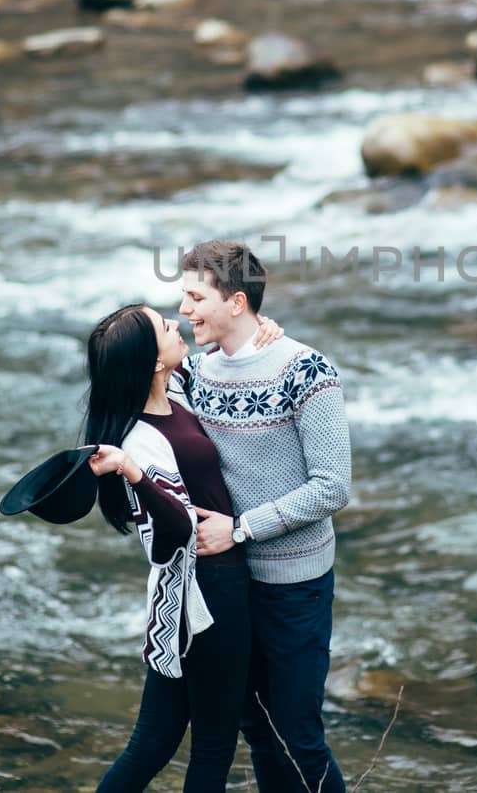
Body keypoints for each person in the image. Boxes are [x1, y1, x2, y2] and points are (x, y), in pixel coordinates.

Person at [174, 240, 353, 793]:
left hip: (294, 584)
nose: (184, 310)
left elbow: (333, 487)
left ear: (235, 302)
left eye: (195, 296)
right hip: (227, 583)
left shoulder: (306, 370)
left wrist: (243, 528)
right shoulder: (196, 374)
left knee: (298, 733)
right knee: (256, 728)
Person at [80, 303, 280, 793]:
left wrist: (260, 333)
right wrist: (133, 473)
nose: (177, 324)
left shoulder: (175, 389)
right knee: (212, 748)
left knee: (152, 744)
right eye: (165, 326)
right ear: (152, 361)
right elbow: (171, 533)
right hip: (210, 595)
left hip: (190, 598)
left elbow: (219, 350)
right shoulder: (139, 439)